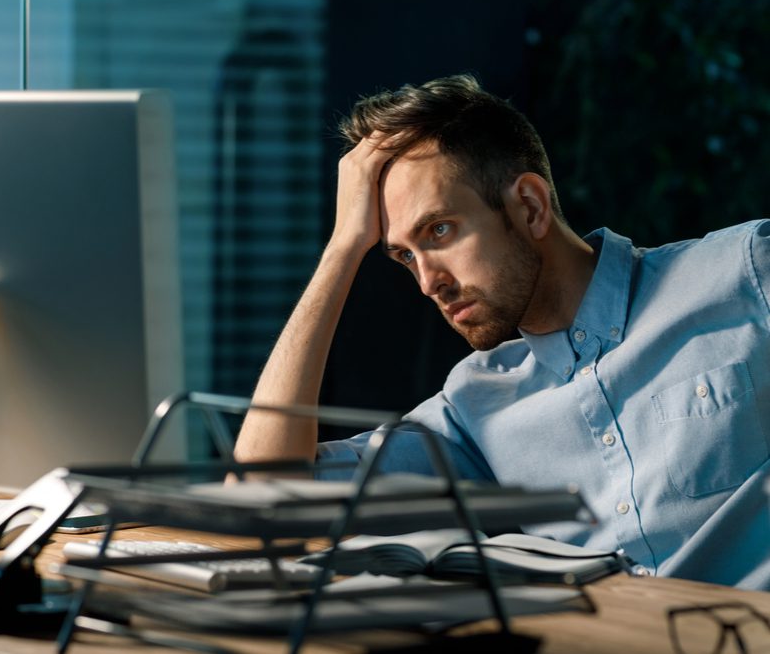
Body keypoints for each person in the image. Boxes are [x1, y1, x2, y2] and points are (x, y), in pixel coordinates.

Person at [232, 74, 770, 589]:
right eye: (402, 255)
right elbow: (263, 499)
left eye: (439, 230)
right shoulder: (474, 410)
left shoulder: (745, 273)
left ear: (530, 207)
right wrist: (342, 248)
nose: (426, 283)